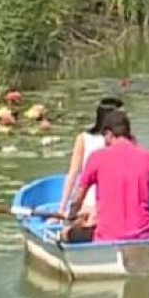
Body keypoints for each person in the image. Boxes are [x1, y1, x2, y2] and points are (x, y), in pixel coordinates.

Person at [62, 110, 149, 243]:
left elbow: (78, 197)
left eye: (104, 136)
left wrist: (71, 217)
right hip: (144, 236)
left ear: (109, 134)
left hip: (106, 237)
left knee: (65, 234)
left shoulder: (96, 157)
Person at [58, 97, 125, 226]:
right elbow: (72, 173)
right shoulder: (84, 139)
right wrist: (61, 208)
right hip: (94, 199)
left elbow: (72, 174)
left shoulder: (124, 140)